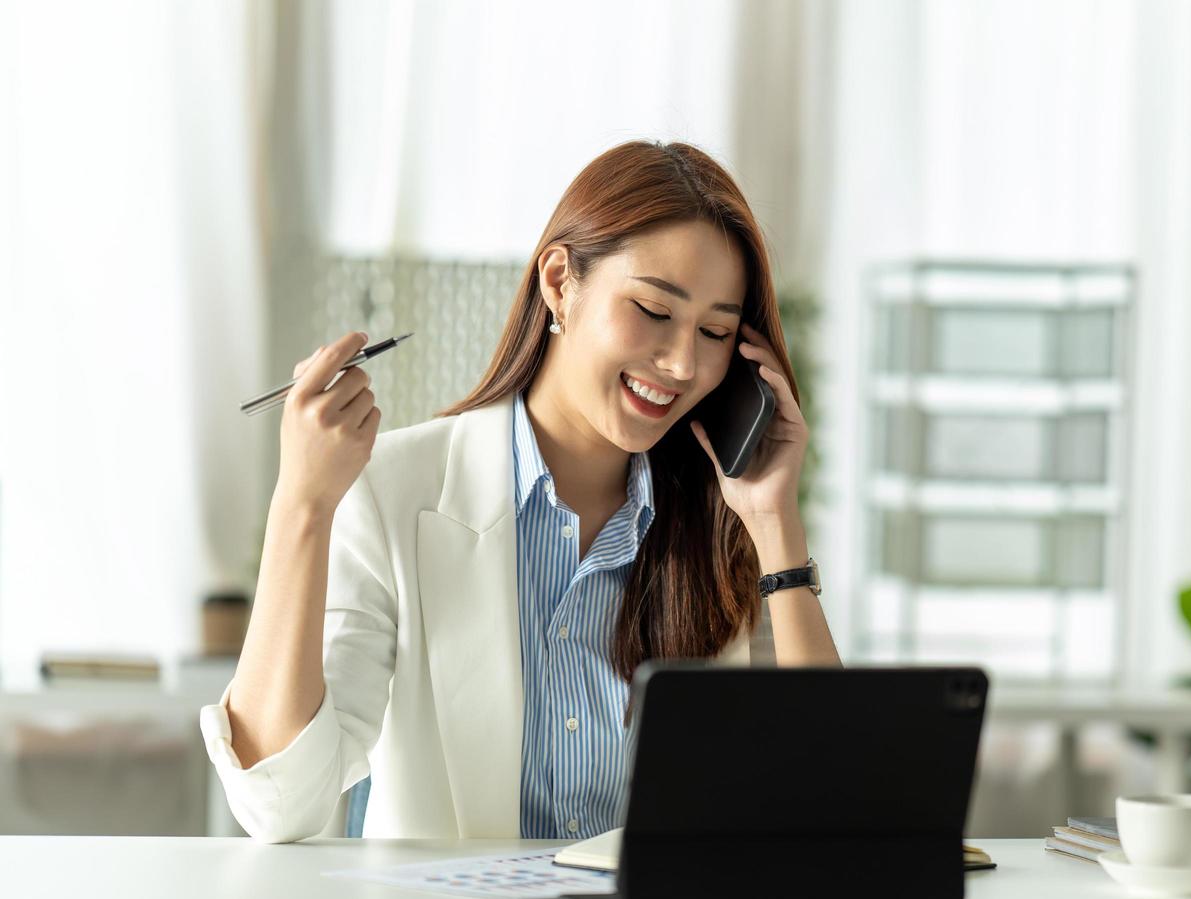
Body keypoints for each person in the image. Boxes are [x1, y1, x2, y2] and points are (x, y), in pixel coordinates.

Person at [199, 140, 842, 843]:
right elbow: (279, 805)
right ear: (560, 282)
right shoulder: (393, 492)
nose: (684, 362)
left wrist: (776, 521)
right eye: (654, 311)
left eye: (716, 331)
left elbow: (824, 803)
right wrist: (302, 504)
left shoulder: (719, 526)